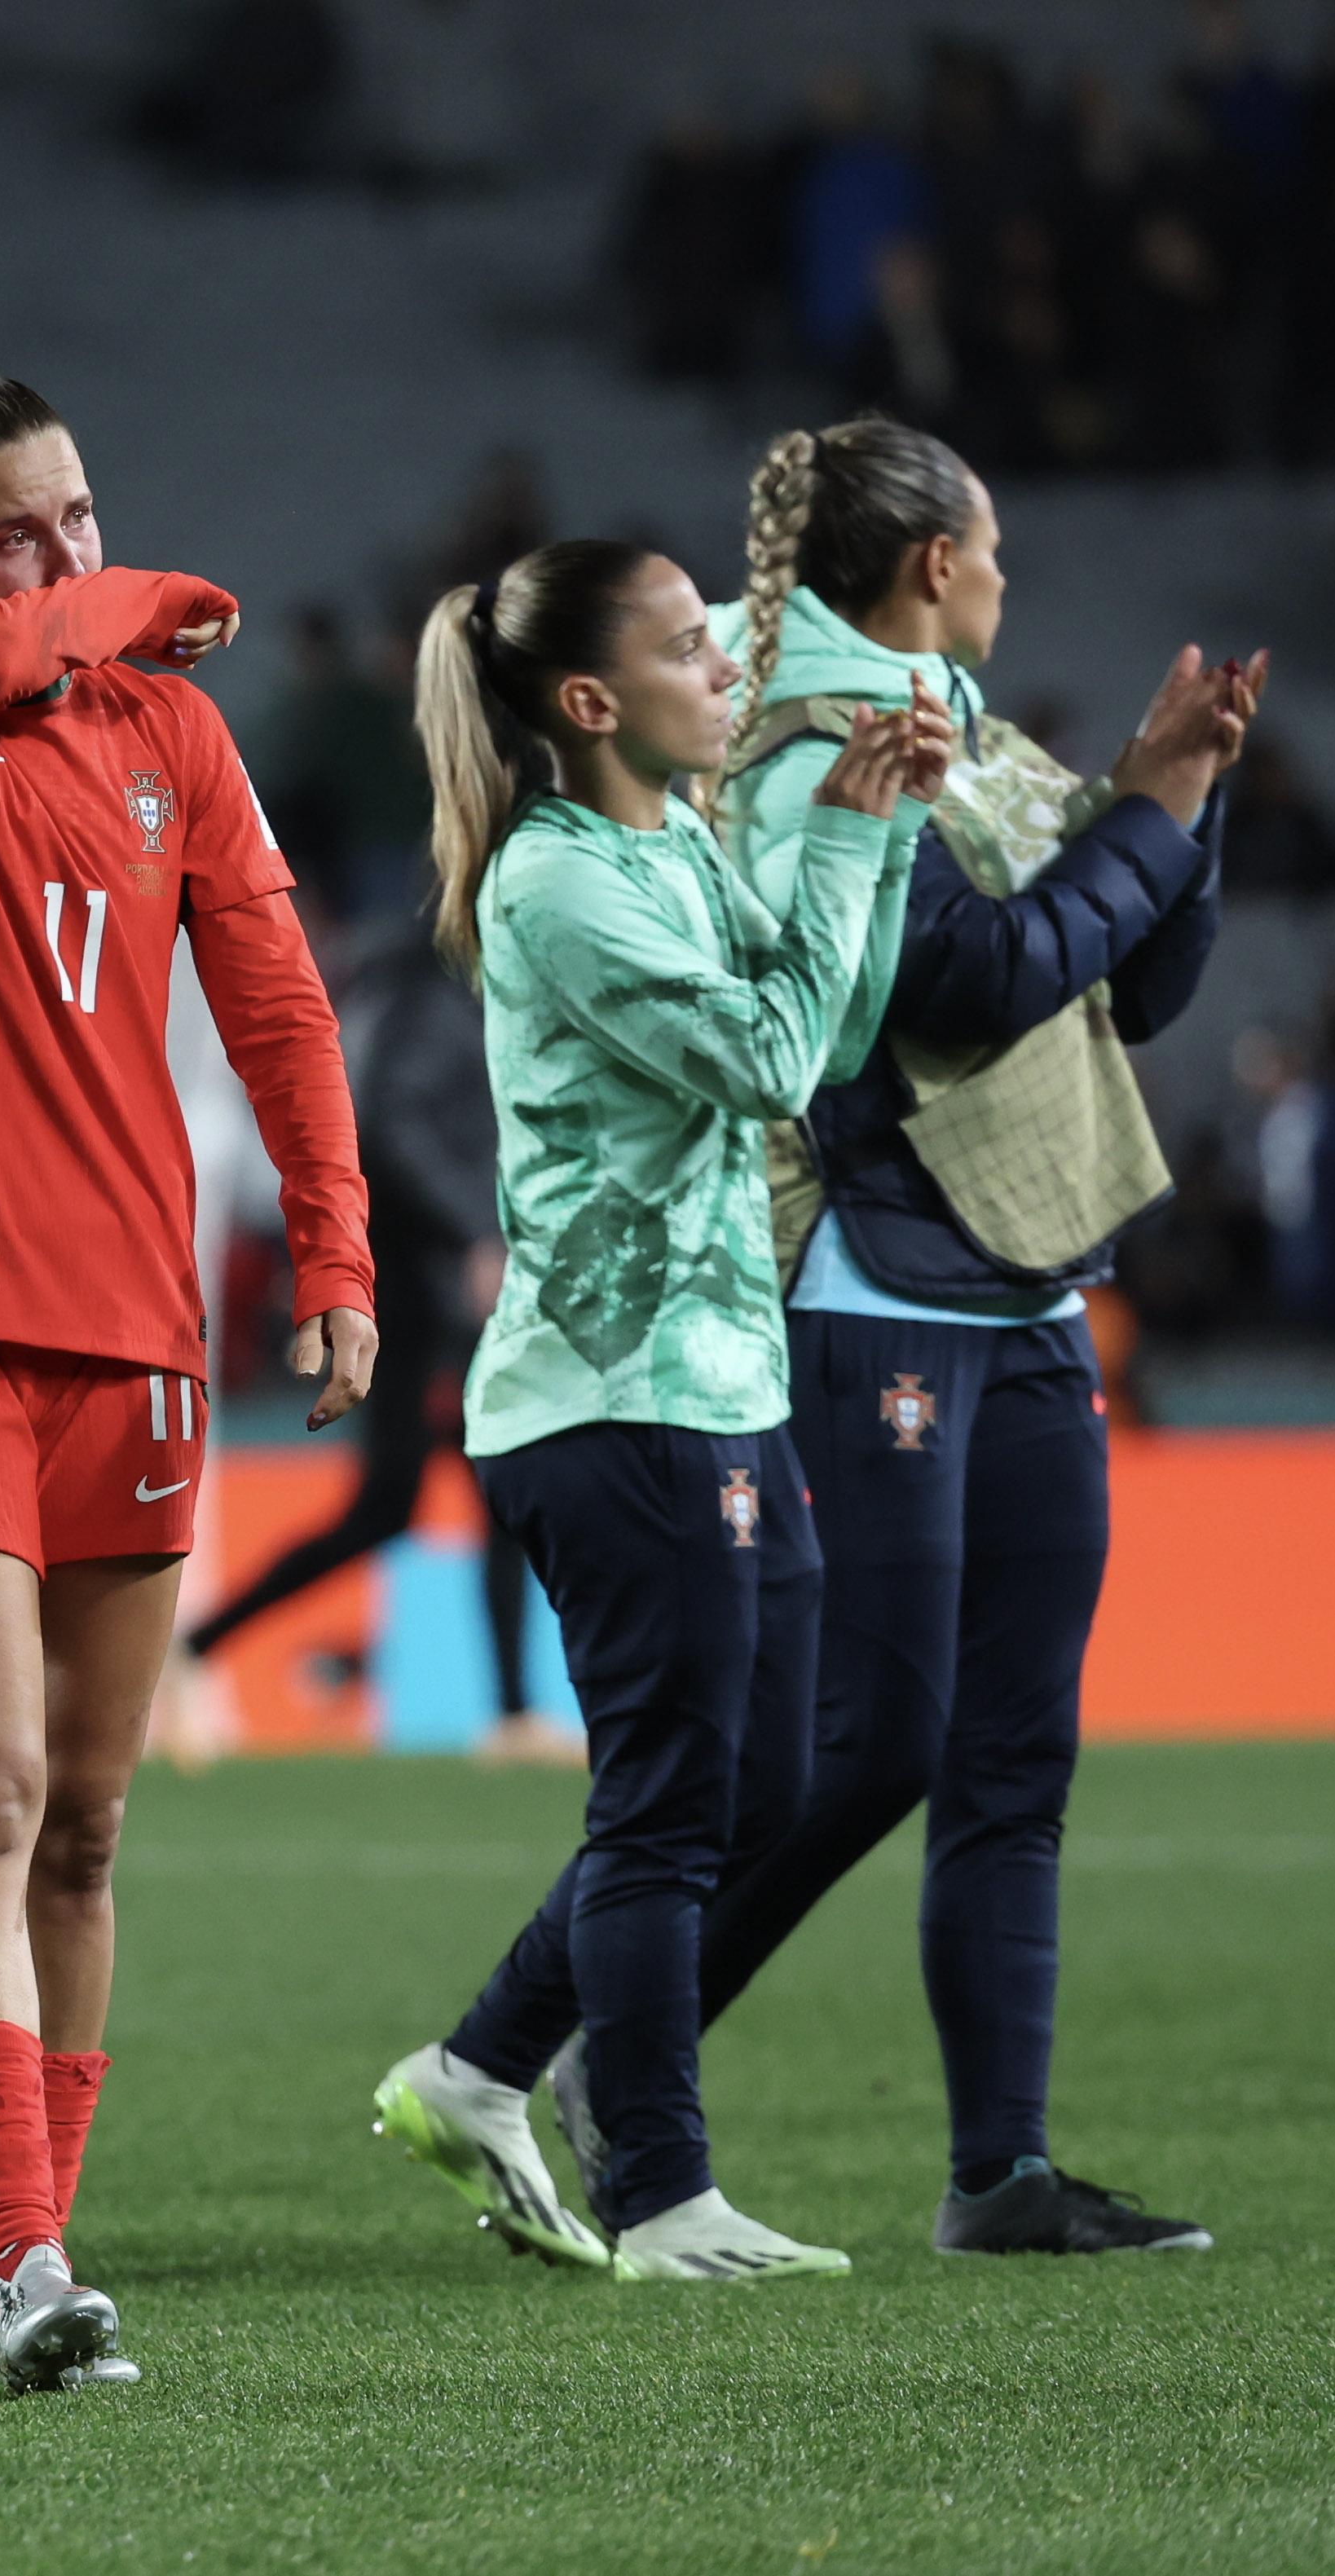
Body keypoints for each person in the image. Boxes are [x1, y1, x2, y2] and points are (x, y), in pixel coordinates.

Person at [541, 422, 1250, 2259]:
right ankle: (590, 2069)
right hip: (868, 1284)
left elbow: (1136, 980)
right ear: (930, 559)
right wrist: (1145, 813)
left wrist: (1190, 796)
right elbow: (977, 978)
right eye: (991, 547)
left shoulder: (963, 728)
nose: (1007, 578)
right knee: (864, 1743)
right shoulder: (809, 748)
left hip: (1017, 1290)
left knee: (1009, 1755)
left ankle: (997, 2172)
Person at [0, 374, 374, 2391]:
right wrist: (128, 599)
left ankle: (49, 2259)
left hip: (136, 1330)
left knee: (92, 1825)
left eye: (83, 515)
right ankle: (11, 2264)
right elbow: (23, 653)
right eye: (16, 530)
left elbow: (279, 1000)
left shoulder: (172, 729)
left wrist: (334, 1243)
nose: (64, 557)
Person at [369, 536, 943, 2288]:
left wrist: (879, 828)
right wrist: (837, 842)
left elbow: (825, 1030)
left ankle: (472, 2066)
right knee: (672, 1800)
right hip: (606, 1399)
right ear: (588, 700)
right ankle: (660, 2190)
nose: (725, 668)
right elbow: (765, 1061)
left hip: (717, 1376)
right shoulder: (554, 881)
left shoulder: (669, 836)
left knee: (757, 1777)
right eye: (691, 645)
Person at [174, 903, 565, 1763]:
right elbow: (391, 1126)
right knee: (478, 1492)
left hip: (418, 1290)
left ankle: (195, 1650)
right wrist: (472, 1232)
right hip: (426, 1295)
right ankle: (508, 1712)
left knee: (399, 1503)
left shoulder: (417, 993)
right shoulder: (437, 1004)